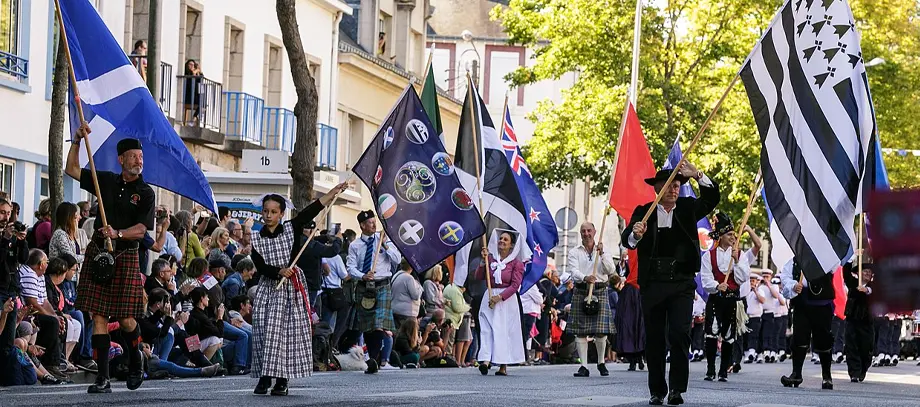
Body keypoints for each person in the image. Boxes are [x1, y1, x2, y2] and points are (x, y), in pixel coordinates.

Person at [65, 125, 156, 393]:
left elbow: (141, 229)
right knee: (99, 316)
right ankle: (102, 378)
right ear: (121, 160)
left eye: (141, 156)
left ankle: (136, 357)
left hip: (126, 256)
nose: (138, 160)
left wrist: (117, 233)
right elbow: (71, 170)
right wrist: (77, 141)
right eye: (133, 156)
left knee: (128, 319)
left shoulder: (146, 192)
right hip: (100, 254)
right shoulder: (105, 180)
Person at [621, 162, 719, 406]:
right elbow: (629, 242)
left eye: (677, 185)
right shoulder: (644, 211)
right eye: (669, 186)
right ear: (657, 188)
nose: (674, 190)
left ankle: (676, 388)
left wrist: (697, 175)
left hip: (681, 284)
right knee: (654, 338)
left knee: (679, 335)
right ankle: (656, 390)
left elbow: (712, 198)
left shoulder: (687, 208)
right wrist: (636, 234)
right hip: (653, 284)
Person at [249, 183, 347, 395]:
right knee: (266, 333)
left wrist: (332, 193)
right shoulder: (256, 238)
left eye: (273, 212)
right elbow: (260, 266)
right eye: (265, 211)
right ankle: (265, 377)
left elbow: (313, 209)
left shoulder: (292, 228)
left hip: (290, 289)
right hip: (269, 288)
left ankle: (282, 380)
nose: (268, 215)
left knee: (284, 334)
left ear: (281, 214)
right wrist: (278, 271)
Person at [346, 210, 402, 374]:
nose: (374, 225)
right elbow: (350, 267)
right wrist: (362, 275)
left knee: (378, 324)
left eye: (374, 221)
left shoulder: (384, 240)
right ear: (362, 225)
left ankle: (374, 357)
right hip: (365, 286)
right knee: (368, 326)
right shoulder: (355, 245)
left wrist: (385, 245)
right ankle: (372, 358)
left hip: (382, 284)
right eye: (370, 222)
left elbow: (397, 259)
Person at [698, 212, 751, 382]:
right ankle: (710, 369)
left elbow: (743, 278)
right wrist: (716, 286)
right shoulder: (708, 256)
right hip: (716, 299)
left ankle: (723, 371)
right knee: (712, 333)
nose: (733, 237)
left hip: (732, 300)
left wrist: (736, 261)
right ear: (720, 236)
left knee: (729, 335)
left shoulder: (739, 255)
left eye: (734, 234)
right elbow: (705, 279)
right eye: (729, 234)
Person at [567, 221, 619, 378]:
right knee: (580, 332)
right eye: (583, 231)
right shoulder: (574, 252)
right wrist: (585, 277)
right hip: (582, 290)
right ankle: (583, 366)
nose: (586, 233)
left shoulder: (604, 250)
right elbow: (573, 271)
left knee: (601, 332)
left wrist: (602, 254)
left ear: (595, 232)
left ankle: (601, 362)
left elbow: (610, 270)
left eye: (589, 230)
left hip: (600, 289)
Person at [779, 259, 837, 390]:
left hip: (822, 305)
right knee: (799, 338)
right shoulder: (794, 261)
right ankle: (796, 374)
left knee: (824, 340)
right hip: (802, 304)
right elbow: (786, 277)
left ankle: (827, 376)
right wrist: (793, 286)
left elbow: (834, 265)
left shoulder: (826, 258)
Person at [475, 229, 526, 376]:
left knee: (503, 331)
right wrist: (482, 262)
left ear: (511, 246)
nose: (502, 241)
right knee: (486, 327)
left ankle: (503, 365)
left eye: (505, 240)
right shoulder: (490, 260)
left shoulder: (516, 264)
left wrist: (500, 297)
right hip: (490, 296)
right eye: (500, 239)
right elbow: (479, 276)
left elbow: (515, 285)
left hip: (506, 301)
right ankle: (485, 359)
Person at [19, 250, 66, 378]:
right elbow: (32, 303)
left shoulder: (40, 275)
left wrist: (55, 316)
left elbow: (44, 301)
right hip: (28, 312)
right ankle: (50, 364)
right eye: (47, 262)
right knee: (51, 323)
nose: (48, 264)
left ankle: (59, 360)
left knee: (59, 320)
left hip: (37, 310)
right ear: (40, 264)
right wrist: (53, 318)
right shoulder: (29, 274)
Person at [43, 257, 84, 372]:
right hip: (49, 314)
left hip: (59, 313)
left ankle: (66, 357)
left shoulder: (60, 286)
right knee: (69, 324)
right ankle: (60, 358)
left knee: (77, 325)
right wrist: (60, 314)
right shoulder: (47, 283)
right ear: (58, 273)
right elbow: (49, 303)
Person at [843, 261, 874, 382]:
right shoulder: (853, 283)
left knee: (866, 347)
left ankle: (863, 369)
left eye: (869, 272)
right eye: (865, 271)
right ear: (859, 273)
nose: (867, 273)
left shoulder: (874, 286)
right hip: (852, 319)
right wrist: (850, 260)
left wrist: (866, 290)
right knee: (851, 346)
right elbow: (845, 274)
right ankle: (854, 372)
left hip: (867, 321)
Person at [185, 287, 224, 361]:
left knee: (218, 340)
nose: (208, 299)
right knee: (216, 340)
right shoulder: (198, 314)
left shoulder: (200, 312)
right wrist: (220, 317)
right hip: (192, 347)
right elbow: (219, 333)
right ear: (202, 299)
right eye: (207, 297)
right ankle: (202, 365)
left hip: (196, 344)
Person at [48, 202, 85, 273]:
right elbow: (70, 257)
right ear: (69, 218)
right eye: (75, 217)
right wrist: (86, 257)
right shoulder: (60, 234)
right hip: (60, 275)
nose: (78, 218)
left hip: (70, 275)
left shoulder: (68, 234)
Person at [443, 281, 472, 365]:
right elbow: (457, 308)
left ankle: (451, 358)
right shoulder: (456, 291)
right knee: (450, 340)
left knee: (450, 339)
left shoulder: (450, 287)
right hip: (451, 319)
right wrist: (468, 307)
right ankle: (448, 358)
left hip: (451, 318)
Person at [760, 268, 784, 363]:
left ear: (770, 277)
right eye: (764, 276)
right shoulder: (760, 287)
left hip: (771, 312)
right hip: (762, 312)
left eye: (767, 276)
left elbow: (775, 296)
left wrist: (769, 285)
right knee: (764, 334)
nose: (765, 278)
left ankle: (773, 352)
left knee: (772, 334)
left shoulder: (774, 287)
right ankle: (766, 352)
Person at [320, 254, 349, 332]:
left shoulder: (320, 254)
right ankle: (334, 340)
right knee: (342, 320)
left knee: (325, 320)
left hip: (322, 291)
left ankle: (323, 340)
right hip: (335, 291)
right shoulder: (336, 257)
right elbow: (345, 277)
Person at [391, 260, 422, 329]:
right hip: (407, 313)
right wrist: (419, 287)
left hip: (395, 310)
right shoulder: (409, 278)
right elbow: (416, 296)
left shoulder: (396, 275)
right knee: (407, 336)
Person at [744, 272, 765, 364]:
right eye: (750, 281)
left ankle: (752, 353)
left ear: (757, 282)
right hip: (746, 317)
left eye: (753, 281)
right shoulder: (745, 292)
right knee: (746, 336)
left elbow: (762, 300)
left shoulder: (760, 291)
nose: (751, 283)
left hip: (755, 317)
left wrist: (755, 291)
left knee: (754, 335)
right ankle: (749, 353)